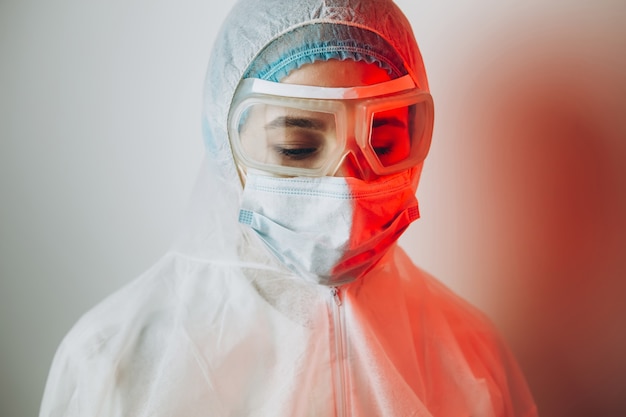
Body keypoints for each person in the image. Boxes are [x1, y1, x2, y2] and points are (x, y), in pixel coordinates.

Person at [40, 0, 538, 416]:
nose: (344, 188)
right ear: (225, 144)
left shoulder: (471, 355)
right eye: (296, 148)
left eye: (382, 146)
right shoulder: (114, 362)